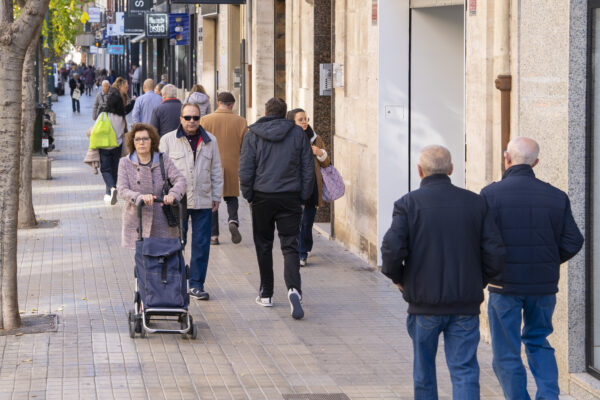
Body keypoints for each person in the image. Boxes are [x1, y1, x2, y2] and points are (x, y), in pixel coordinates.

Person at [380, 145, 505, 399]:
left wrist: (400, 279)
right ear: (451, 169)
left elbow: (391, 250)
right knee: (465, 370)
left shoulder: (408, 204)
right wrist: (478, 281)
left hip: (423, 303)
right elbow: (495, 253)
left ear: (419, 171)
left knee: (423, 372)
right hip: (464, 304)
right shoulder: (475, 203)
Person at [480, 137, 584, 400]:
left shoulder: (490, 195)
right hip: (543, 286)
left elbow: (481, 241)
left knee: (506, 352)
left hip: (504, 285)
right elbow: (574, 240)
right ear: (536, 162)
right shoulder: (556, 196)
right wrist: (548, 260)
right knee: (539, 342)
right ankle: (549, 396)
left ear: (507, 159)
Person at [239, 97, 314, 319]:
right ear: (285, 114)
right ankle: (293, 289)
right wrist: (303, 195)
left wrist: (249, 194)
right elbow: (307, 168)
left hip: (262, 196)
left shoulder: (252, 134)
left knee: (264, 245)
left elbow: (245, 169)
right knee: (290, 245)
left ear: (265, 111)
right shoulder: (298, 134)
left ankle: (267, 293)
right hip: (290, 196)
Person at [159, 103, 223, 301]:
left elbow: (216, 170)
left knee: (201, 244)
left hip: (203, 199)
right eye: (188, 118)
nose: (192, 122)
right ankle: (175, 282)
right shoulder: (168, 140)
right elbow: (160, 172)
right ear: (181, 119)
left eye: (195, 118)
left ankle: (196, 284)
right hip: (177, 202)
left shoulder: (210, 140)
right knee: (176, 243)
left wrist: (216, 196)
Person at [117, 123, 186, 249]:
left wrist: (173, 194)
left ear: (152, 141)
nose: (141, 142)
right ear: (133, 142)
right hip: (137, 218)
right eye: (137, 139)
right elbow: (122, 189)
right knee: (143, 260)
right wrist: (139, 198)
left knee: (164, 259)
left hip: (162, 218)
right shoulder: (125, 163)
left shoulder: (163, 159)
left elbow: (180, 179)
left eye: (145, 139)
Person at [200, 92, 248, 245]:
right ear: (232, 105)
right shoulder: (241, 122)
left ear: (218, 102)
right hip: (232, 164)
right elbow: (245, 147)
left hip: (210, 164)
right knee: (231, 196)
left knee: (212, 200)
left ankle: (213, 235)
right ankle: (233, 221)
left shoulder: (205, 120)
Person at [286, 108, 330, 266]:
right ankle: (301, 252)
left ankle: (303, 248)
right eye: (300, 119)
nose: (304, 122)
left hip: (312, 187)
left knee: (307, 222)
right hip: (293, 187)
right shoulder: (287, 138)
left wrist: (319, 152)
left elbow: (326, 162)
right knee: (296, 222)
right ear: (292, 122)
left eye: (306, 119)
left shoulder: (315, 138)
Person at [98, 77, 136, 204]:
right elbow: (121, 132)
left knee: (105, 169)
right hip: (117, 144)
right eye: (126, 87)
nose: (127, 88)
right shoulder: (120, 117)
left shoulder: (105, 115)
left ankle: (112, 188)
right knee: (114, 169)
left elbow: (95, 130)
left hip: (104, 144)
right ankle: (110, 191)